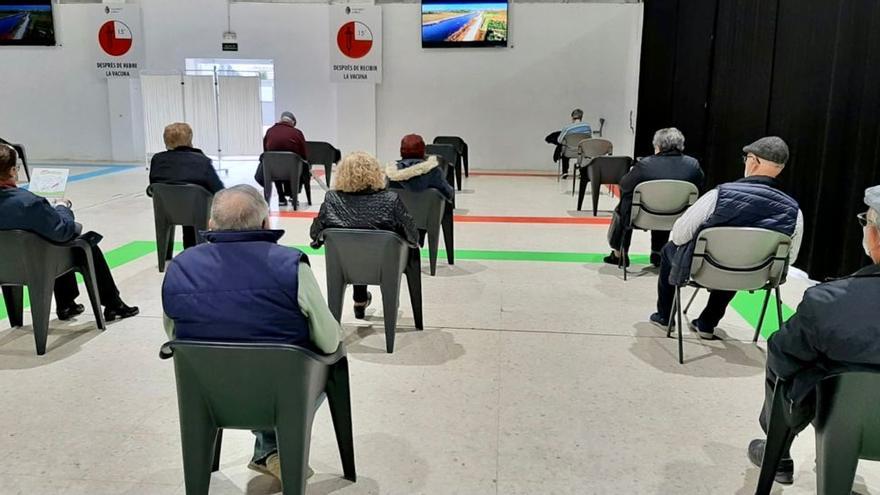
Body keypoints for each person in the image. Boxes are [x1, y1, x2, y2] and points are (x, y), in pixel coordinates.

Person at [162, 184, 343, 481]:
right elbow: (328, 339)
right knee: (322, 364)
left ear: (210, 225)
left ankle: (267, 450)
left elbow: (174, 333)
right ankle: (271, 449)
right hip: (279, 393)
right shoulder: (291, 265)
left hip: (209, 394)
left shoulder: (179, 267)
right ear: (265, 223)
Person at [747, 186, 880, 485]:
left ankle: (778, 451)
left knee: (784, 353)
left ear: (873, 236)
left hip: (840, 424)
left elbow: (782, 360)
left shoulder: (828, 302)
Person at [650, 137, 804, 340]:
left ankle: (664, 316)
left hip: (701, 268)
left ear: (753, 161)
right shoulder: (794, 211)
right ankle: (708, 322)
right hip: (752, 275)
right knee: (743, 258)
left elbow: (680, 235)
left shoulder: (720, 195)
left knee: (670, 249)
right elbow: (790, 258)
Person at [0, 144, 138, 322]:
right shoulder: (30, 203)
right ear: (12, 170)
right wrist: (62, 207)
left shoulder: (27, 201)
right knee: (83, 244)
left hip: (6, 264)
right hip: (35, 265)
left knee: (46, 239)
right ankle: (113, 303)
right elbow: (63, 231)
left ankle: (67, 303)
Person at [310, 152, 419, 319]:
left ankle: (359, 300)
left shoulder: (331, 199)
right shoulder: (390, 199)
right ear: (375, 173)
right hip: (384, 266)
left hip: (346, 267)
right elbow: (413, 236)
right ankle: (390, 301)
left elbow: (314, 235)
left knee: (354, 246)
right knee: (382, 247)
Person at [603, 128, 704, 267]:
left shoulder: (645, 165)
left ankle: (619, 254)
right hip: (678, 217)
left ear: (658, 146)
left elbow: (624, 185)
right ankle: (658, 253)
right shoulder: (693, 165)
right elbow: (700, 187)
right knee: (668, 202)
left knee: (624, 206)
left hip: (643, 217)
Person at [149, 122, 225, 248]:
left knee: (184, 199)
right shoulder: (201, 161)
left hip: (166, 211)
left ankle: (167, 255)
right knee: (199, 202)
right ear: (190, 139)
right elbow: (218, 190)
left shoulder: (157, 160)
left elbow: (153, 184)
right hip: (196, 212)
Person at [256, 111, 310, 207]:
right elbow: (304, 154)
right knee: (301, 167)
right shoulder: (297, 133)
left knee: (274, 164)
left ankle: (281, 197)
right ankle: (294, 196)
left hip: (272, 170)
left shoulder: (270, 131)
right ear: (293, 122)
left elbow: (266, 151)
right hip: (293, 170)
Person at [385, 134, 454, 203]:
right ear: (423, 150)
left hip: (397, 213)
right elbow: (449, 194)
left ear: (401, 150)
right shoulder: (434, 171)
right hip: (429, 212)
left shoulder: (390, 173)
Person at [544, 109, 592, 178]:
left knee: (564, 149)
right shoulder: (587, 127)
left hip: (569, 152)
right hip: (582, 152)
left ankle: (565, 172)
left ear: (572, 117)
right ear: (581, 117)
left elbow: (559, 140)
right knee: (583, 152)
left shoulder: (567, 128)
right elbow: (589, 140)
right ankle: (582, 172)